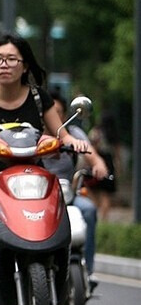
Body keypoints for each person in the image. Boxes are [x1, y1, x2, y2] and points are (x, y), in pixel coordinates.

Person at [0, 33, 89, 270]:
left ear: (25, 66)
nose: (4, 64)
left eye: (11, 59)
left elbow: (63, 134)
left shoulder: (39, 98)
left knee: (60, 208)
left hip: (36, 177)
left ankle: (62, 268)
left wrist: (75, 142)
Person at [42, 92, 107, 280]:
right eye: (49, 113)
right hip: (40, 197)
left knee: (88, 210)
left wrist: (98, 165)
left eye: (58, 112)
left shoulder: (73, 134)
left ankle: (87, 270)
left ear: (64, 115)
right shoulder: (33, 135)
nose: (54, 116)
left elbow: (90, 153)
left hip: (68, 193)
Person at [86, 109, 121, 221]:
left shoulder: (96, 132)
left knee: (95, 192)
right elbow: (117, 153)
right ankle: (104, 219)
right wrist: (118, 167)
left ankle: (95, 217)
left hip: (97, 162)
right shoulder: (113, 134)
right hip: (109, 163)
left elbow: (91, 148)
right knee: (106, 195)